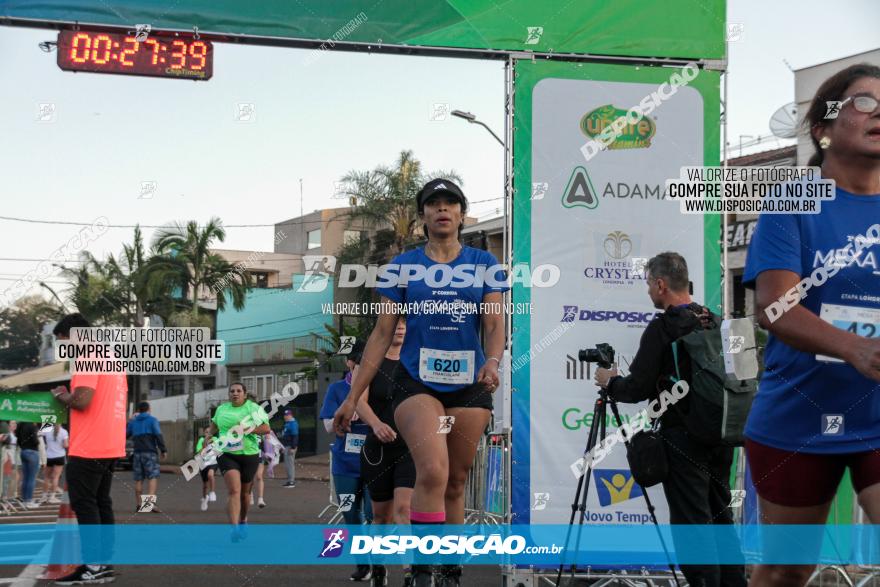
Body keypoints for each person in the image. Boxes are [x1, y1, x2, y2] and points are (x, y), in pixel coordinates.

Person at [743, 63, 880, 587]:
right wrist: (856, 349)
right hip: (799, 417)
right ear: (823, 127)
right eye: (863, 102)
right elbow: (774, 307)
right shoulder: (793, 202)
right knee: (783, 571)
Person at [334, 179, 507, 587]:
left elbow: (495, 322)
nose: (442, 209)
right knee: (431, 470)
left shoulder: (484, 263)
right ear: (423, 216)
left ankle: (450, 568)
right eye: (434, 204)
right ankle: (423, 569)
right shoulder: (402, 267)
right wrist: (352, 398)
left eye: (451, 203)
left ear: (462, 215)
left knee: (456, 481)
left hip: (470, 384)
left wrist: (494, 362)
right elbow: (380, 335)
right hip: (417, 384)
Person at [594, 252, 747, 587]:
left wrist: (610, 381)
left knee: (693, 522)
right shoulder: (718, 321)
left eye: (649, 283)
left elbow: (638, 387)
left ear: (661, 284)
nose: (649, 290)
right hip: (723, 435)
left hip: (683, 439)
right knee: (721, 518)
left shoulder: (663, 327)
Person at [51, 313, 127, 585]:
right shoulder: (112, 358)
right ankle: (103, 564)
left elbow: (82, 400)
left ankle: (93, 565)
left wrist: (61, 396)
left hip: (89, 445)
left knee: (86, 505)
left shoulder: (87, 355)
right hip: (110, 443)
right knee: (101, 504)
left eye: (63, 341)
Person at [356, 317, 416, 587]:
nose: (401, 327)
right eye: (396, 323)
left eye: (405, 323)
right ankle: (378, 566)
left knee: (405, 510)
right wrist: (376, 424)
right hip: (377, 449)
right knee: (381, 516)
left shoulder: (416, 358)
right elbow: (357, 400)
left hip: (409, 447)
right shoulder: (370, 361)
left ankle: (409, 571)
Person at [321, 344, 374, 582]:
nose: (364, 368)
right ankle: (363, 564)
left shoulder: (381, 387)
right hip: (345, 464)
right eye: (359, 363)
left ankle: (378, 561)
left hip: (376, 461)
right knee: (351, 514)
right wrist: (341, 418)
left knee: (375, 514)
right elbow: (327, 426)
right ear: (349, 363)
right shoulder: (336, 389)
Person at [208, 382, 270, 541]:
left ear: (244, 393)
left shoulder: (253, 408)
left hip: (249, 454)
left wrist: (247, 429)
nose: (235, 393)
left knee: (245, 494)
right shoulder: (222, 409)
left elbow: (265, 429)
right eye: (232, 391)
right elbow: (213, 426)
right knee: (234, 490)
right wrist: (208, 438)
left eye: (238, 391)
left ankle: (242, 520)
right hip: (227, 453)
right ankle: (234, 528)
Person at [126, 401, 167, 513]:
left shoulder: (133, 422)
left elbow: (125, 434)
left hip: (137, 453)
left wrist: (129, 422)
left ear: (138, 410)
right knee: (152, 477)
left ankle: (139, 505)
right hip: (150, 453)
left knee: (138, 479)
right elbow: (158, 435)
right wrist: (163, 450)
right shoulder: (152, 420)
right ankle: (149, 505)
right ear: (148, 409)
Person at [40, 422, 69, 504]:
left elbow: (38, 435)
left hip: (49, 456)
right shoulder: (64, 431)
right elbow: (65, 445)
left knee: (46, 477)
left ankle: (44, 496)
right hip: (59, 456)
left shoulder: (47, 429)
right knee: (56, 477)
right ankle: (52, 497)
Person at [16, 420, 41, 508]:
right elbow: (35, 441)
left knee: (26, 478)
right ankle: (29, 501)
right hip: (32, 452)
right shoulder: (32, 425)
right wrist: (38, 440)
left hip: (23, 451)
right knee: (31, 478)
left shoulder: (20, 425)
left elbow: (18, 440)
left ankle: (24, 500)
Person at [195, 428, 219, 512]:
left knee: (210, 475)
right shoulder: (201, 440)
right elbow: (199, 452)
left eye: (210, 432)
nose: (208, 433)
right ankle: (205, 499)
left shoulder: (215, 439)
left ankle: (212, 492)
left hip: (213, 462)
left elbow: (219, 450)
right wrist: (205, 443)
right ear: (204, 434)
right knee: (205, 485)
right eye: (206, 432)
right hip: (203, 463)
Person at [280, 409, 299, 488]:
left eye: (287, 415)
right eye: (285, 415)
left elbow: (295, 436)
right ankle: (289, 480)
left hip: (290, 446)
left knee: (290, 464)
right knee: (287, 464)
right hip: (286, 446)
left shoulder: (293, 424)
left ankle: (291, 481)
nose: (285, 417)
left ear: (291, 415)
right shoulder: (287, 423)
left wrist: (293, 447)